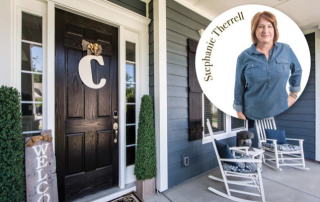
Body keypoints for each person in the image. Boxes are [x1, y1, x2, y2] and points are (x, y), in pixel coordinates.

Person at [233, 11, 302, 120]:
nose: (266, 30)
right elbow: (239, 86)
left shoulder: (286, 50)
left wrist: (293, 94)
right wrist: (239, 112)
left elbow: (297, 70)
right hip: (252, 115)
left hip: (281, 111)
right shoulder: (244, 56)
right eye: (261, 26)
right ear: (254, 30)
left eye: (269, 26)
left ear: (274, 30)